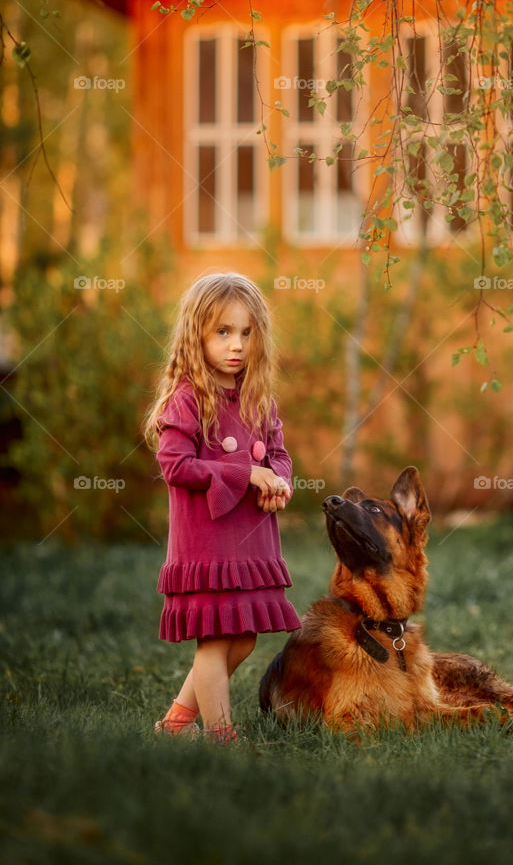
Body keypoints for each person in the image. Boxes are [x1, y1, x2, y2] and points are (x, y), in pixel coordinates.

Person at [145, 272, 300, 744]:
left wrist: (278, 482)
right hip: (208, 543)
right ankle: (221, 737)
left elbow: (278, 455)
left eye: (247, 333)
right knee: (214, 641)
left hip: (250, 540)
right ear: (197, 334)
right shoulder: (187, 398)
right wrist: (245, 473)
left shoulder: (256, 398)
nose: (237, 345)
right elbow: (176, 465)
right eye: (224, 332)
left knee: (243, 638)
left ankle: (175, 726)